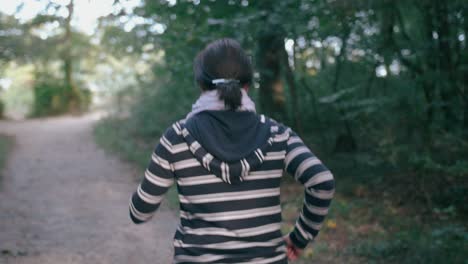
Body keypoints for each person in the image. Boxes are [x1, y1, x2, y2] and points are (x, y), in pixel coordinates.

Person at [129, 38, 335, 263]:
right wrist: (298, 238)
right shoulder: (278, 134)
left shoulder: (177, 136)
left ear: (201, 84)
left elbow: (141, 212)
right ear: (247, 85)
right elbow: (322, 181)